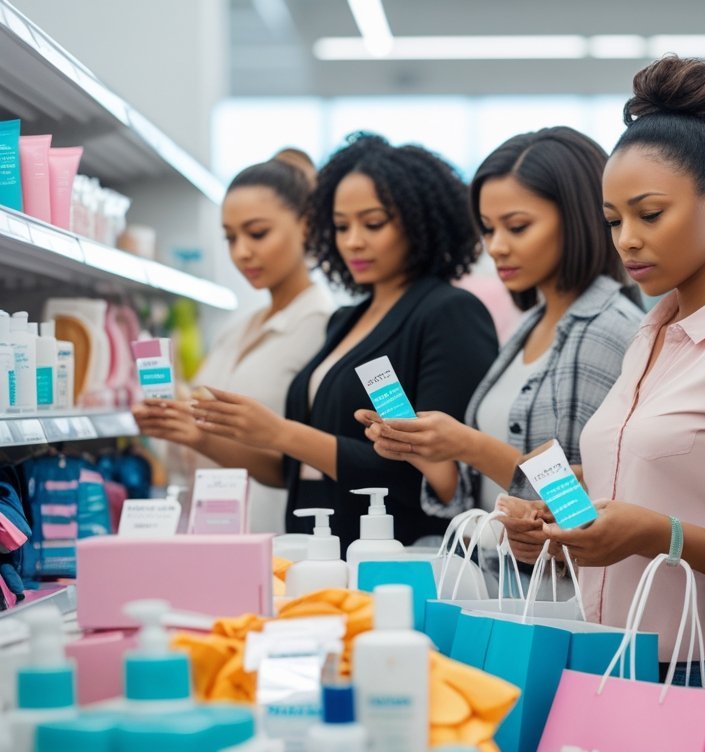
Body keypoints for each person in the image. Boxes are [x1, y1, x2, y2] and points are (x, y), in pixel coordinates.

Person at [506, 56, 705, 686]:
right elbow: (657, 479)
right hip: (608, 659)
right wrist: (560, 518)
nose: (626, 239)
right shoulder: (647, 337)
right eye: (613, 221)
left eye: (649, 215)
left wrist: (664, 536)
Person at [192, 134, 498, 549]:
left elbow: (433, 477)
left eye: (373, 224)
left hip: (396, 552)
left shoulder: (448, 314)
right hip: (315, 543)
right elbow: (302, 466)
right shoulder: (344, 321)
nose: (353, 240)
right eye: (340, 226)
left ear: (418, 220)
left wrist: (280, 432)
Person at [357, 127, 643, 539]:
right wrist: (423, 447)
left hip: (555, 597)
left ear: (579, 218)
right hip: (498, 582)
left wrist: (468, 445)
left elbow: (582, 510)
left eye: (517, 227)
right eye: (488, 229)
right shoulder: (527, 326)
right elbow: (481, 494)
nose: (496, 247)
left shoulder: (608, 331)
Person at [133, 151, 334, 533]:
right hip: (206, 526)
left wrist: (197, 434)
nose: (242, 251)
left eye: (257, 233)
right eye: (230, 237)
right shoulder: (237, 328)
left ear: (306, 225)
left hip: (274, 536)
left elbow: (295, 462)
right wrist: (170, 415)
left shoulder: (323, 329)